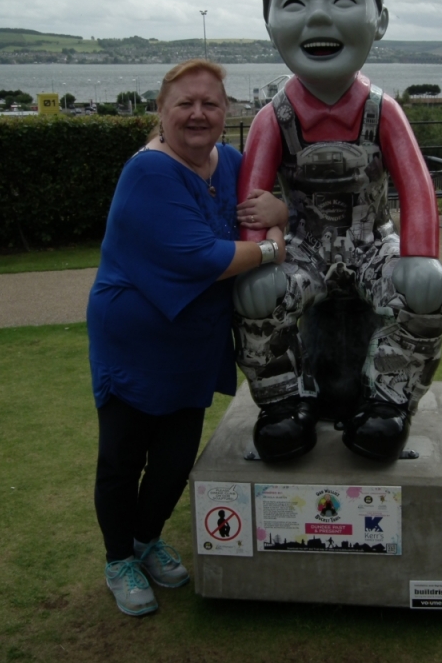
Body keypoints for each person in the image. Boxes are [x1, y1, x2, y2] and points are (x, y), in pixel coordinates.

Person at [233, 0, 442, 463]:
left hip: (373, 245)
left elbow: (417, 187)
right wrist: (261, 251)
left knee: (427, 287)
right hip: (302, 249)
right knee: (256, 291)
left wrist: (418, 254)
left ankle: (388, 402)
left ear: (380, 20)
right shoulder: (272, 119)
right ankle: (284, 403)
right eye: (293, 1)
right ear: (269, 23)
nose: (319, 15)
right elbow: (250, 203)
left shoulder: (384, 112)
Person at [87, 59, 287, 617]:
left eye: (210, 103)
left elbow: (261, 214)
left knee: (175, 461)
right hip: (134, 344)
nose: (198, 114)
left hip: (193, 341)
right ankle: (118, 559)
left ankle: (145, 541)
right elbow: (203, 257)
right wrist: (274, 246)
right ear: (161, 111)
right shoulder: (149, 172)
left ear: (226, 111)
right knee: (123, 458)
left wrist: (281, 211)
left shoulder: (232, 162)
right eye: (185, 103)